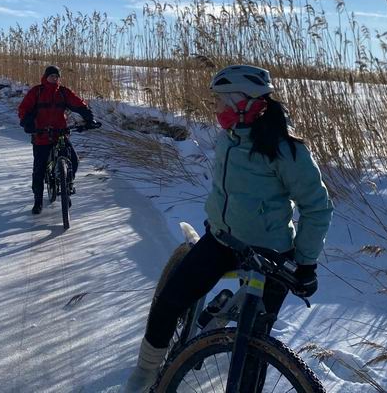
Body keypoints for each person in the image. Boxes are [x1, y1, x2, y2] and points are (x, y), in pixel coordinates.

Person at [124, 64, 334, 393]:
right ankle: (145, 373)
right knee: (168, 303)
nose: (217, 109)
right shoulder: (229, 138)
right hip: (223, 241)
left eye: (221, 101)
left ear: (245, 102)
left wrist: (305, 262)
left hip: (269, 254)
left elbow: (317, 206)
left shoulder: (287, 149)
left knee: (254, 344)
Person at [17, 65, 97, 214]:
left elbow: (78, 104)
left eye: (56, 76)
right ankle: (38, 200)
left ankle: (67, 186)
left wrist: (89, 118)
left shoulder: (63, 92)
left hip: (60, 133)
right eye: (51, 76)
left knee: (73, 159)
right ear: (45, 77)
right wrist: (27, 123)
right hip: (41, 135)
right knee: (39, 169)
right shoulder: (37, 91)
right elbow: (24, 109)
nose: (54, 79)